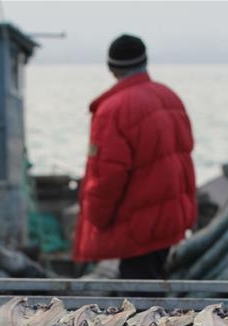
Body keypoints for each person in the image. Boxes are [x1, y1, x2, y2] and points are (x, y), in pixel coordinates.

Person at [72, 34, 196, 280]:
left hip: (137, 229)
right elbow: (185, 152)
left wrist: (96, 220)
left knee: (140, 301)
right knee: (155, 290)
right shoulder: (169, 97)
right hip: (169, 220)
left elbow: (108, 175)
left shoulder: (112, 110)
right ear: (145, 61)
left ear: (111, 67)